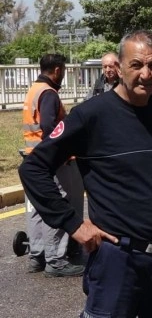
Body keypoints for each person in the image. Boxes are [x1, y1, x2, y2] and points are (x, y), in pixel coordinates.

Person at [19, 30, 152, 316]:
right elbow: (34, 168)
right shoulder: (91, 115)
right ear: (119, 66)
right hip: (118, 262)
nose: (146, 74)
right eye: (136, 65)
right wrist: (73, 223)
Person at [21, 53, 85, 277]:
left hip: (33, 157)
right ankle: (56, 260)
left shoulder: (34, 89)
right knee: (57, 204)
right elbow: (50, 127)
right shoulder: (49, 93)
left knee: (38, 208)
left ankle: (36, 255)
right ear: (57, 70)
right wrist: (63, 150)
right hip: (50, 159)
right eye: (64, 70)